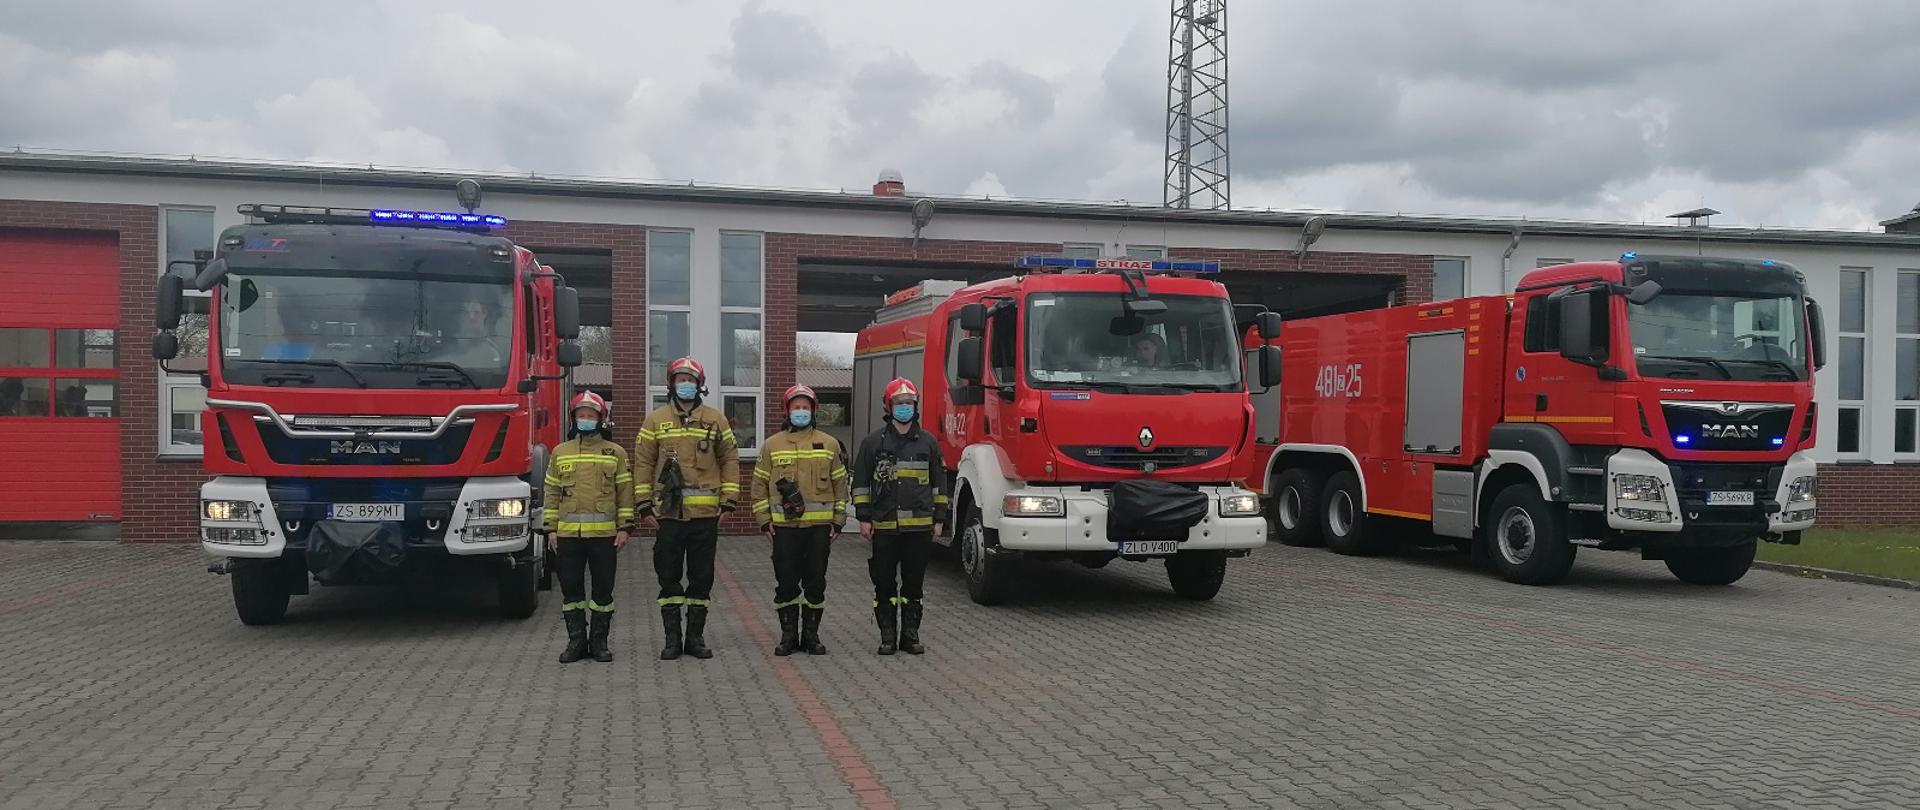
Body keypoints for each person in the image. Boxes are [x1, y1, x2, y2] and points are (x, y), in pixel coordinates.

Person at [633, 357, 739, 661]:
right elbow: (642, 463)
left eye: (691, 380)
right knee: (668, 576)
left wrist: (729, 501)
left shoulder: (716, 420)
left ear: (700, 384)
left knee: (701, 577)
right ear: (671, 383)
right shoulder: (655, 421)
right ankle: (672, 639)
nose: (686, 384)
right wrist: (643, 506)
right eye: (680, 379)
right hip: (668, 516)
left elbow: (730, 460)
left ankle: (695, 638)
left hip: (706, 518)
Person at [852, 378, 950, 656]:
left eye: (909, 403)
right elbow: (860, 483)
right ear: (888, 406)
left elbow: (939, 484)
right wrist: (863, 517)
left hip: (919, 529)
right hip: (884, 526)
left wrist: (939, 518)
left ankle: (910, 636)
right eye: (899, 403)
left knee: (913, 584)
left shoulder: (929, 443)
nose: (904, 407)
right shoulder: (872, 442)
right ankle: (887, 637)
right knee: (883, 583)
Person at [751, 385, 850, 656]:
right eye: (796, 408)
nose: (801, 412)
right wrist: (763, 520)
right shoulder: (772, 445)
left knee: (816, 582)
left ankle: (811, 636)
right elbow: (759, 484)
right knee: (786, 582)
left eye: (806, 408)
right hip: (784, 528)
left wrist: (838, 520)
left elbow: (840, 485)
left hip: (819, 529)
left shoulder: (829, 444)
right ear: (787, 411)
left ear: (813, 411)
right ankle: (788, 637)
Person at [541, 391, 634, 663]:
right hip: (568, 537)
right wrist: (551, 528)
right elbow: (551, 492)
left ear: (601, 419)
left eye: (590, 416)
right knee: (572, 592)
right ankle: (576, 643)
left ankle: (599, 643)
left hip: (604, 537)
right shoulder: (560, 452)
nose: (585, 419)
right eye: (581, 415)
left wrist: (625, 527)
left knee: (603, 592)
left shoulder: (614, 453)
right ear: (574, 419)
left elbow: (624, 492)